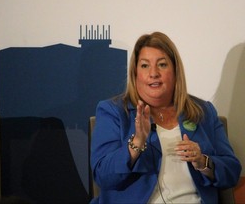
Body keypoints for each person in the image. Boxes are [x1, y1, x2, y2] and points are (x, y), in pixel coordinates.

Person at [90, 32, 242, 204]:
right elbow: (103, 176)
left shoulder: (203, 112)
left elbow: (232, 172)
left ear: (175, 71)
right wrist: (136, 144)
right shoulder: (114, 112)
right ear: (135, 73)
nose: (153, 73)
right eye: (145, 66)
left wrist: (203, 162)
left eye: (162, 65)